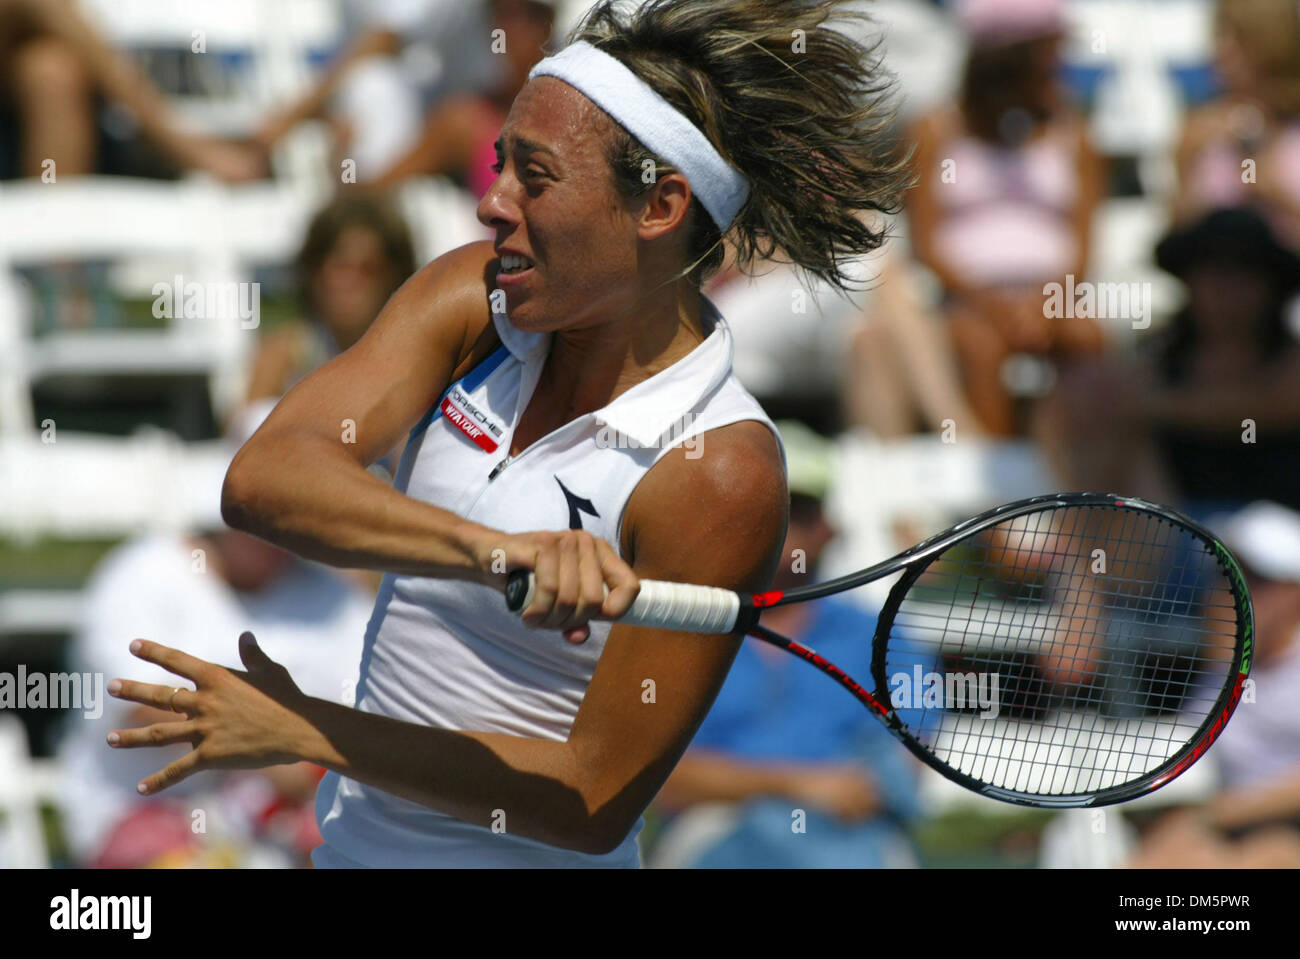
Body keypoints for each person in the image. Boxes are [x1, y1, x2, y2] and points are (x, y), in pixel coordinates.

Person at [104, 0, 911, 868]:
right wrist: (494, 552)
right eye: (500, 165)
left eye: (536, 175)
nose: (493, 203)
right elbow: (265, 479)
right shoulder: (475, 298)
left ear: (659, 206)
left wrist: (311, 728)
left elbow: (590, 799)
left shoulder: (721, 471)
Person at [57, 404, 373, 867]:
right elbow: (137, 709)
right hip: (144, 813)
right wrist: (273, 746)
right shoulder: (144, 573)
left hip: (285, 822)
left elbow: (368, 713)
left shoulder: (335, 598)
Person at [652, 422, 923, 868]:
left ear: (827, 530)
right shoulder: (677, 637)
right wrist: (798, 785)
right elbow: (658, 781)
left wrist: (742, 784)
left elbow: (899, 773)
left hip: (852, 838)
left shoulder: (884, 638)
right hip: (714, 834)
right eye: (757, 508)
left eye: (795, 510)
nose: (776, 525)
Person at [907, 0, 1104, 436]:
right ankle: (1003, 488)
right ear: (1013, 60)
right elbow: (926, 245)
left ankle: (1078, 471)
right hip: (962, 302)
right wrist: (992, 302)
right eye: (1050, 51)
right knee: (980, 344)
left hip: (1056, 298)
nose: (1059, 63)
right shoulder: (934, 131)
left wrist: (1042, 304)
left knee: (1088, 340)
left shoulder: (1076, 134)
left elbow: (1084, 246)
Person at [1172, 0, 1300, 250]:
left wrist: (1274, 195)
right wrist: (1184, 163)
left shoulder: (1291, 129)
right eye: (1219, 35)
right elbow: (1179, 237)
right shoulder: (1198, 130)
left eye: (1235, 38)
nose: (1219, 51)